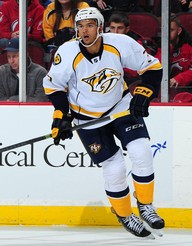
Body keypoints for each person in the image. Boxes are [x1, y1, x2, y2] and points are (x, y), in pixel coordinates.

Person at [43, 7, 165, 238]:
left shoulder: (120, 43)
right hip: (87, 118)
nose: (84, 30)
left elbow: (152, 68)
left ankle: (146, 206)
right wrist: (61, 116)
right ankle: (125, 214)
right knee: (115, 166)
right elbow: (53, 87)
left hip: (120, 107)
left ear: (100, 27)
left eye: (89, 25)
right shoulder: (67, 52)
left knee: (141, 151)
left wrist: (144, 92)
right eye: (80, 26)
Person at [155, 14, 192, 101]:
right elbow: (156, 68)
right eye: (164, 30)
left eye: (171, 30)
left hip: (188, 90)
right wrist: (166, 48)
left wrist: (179, 79)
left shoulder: (189, 46)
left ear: (179, 31)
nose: (166, 34)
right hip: (164, 92)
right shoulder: (156, 47)